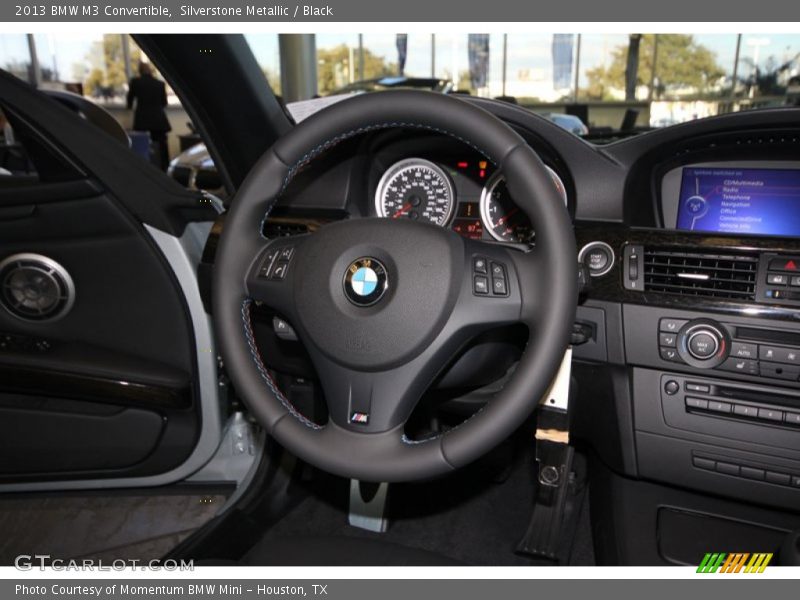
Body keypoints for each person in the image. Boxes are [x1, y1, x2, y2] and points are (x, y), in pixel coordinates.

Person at [126, 63, 171, 170]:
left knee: (142, 146)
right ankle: (166, 167)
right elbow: (164, 103)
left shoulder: (135, 82)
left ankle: (145, 169)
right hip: (159, 120)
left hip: (142, 120)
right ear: (150, 70)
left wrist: (129, 107)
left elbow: (129, 101)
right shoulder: (160, 84)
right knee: (162, 146)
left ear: (140, 71)